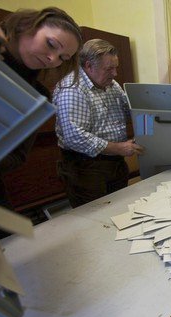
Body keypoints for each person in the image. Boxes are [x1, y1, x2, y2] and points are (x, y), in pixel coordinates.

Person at [0, 7, 81, 210]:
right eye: (51, 44)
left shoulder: (39, 97)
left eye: (62, 58)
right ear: (26, 26)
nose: (52, 59)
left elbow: (18, 155)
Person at [54, 39, 144, 208]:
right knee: (95, 219)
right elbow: (74, 136)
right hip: (85, 167)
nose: (115, 73)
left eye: (115, 67)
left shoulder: (111, 84)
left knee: (119, 210)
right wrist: (118, 147)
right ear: (88, 66)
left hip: (114, 163)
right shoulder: (72, 89)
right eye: (109, 68)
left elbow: (128, 109)